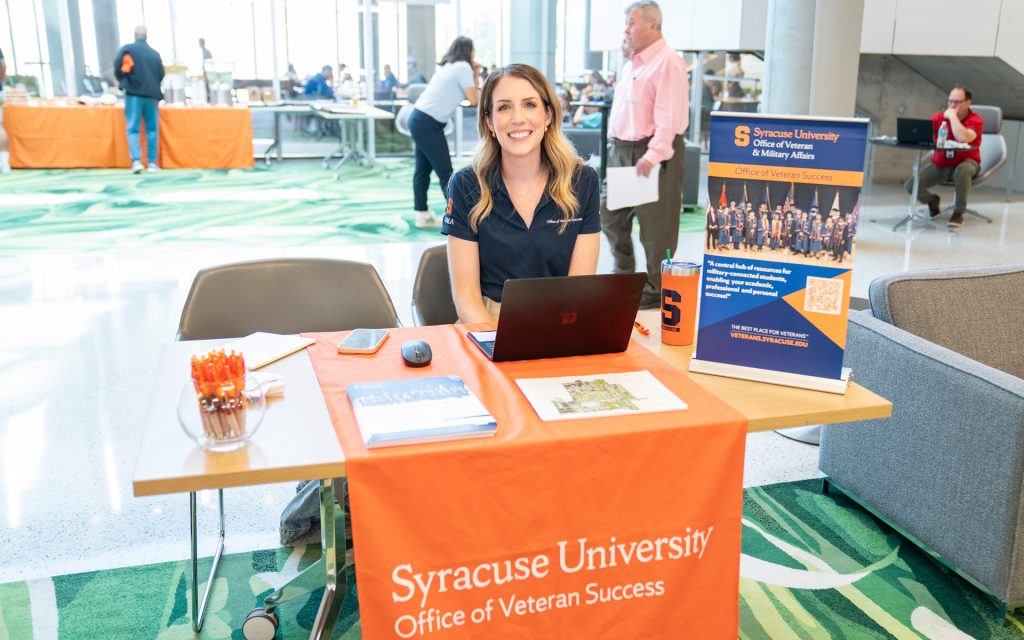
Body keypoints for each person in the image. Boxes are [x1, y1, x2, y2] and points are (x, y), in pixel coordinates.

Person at [442, 63, 601, 323]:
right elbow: (466, 295)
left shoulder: (583, 182)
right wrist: (495, 347)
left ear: (548, 115)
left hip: (560, 318)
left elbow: (578, 290)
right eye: (504, 107)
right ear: (490, 121)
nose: (518, 118)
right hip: (486, 319)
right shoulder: (466, 184)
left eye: (529, 104)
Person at [601, 1, 689, 308]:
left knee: (656, 227)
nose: (626, 29)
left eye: (632, 22)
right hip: (623, 151)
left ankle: (655, 289)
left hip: (651, 153)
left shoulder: (669, 62)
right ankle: (624, 274)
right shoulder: (633, 64)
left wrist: (653, 156)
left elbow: (669, 114)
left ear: (653, 25)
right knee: (611, 216)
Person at [408, 36, 479, 229]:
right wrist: (475, 71)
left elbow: (469, 95)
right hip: (426, 122)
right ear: (468, 51)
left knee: (422, 171)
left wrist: (475, 71)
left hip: (419, 119)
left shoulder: (450, 67)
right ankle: (459, 218)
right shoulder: (463, 67)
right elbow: (474, 99)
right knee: (445, 172)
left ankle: (422, 215)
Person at [903, 85, 983, 228]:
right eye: (950, 101)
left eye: (957, 102)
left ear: (968, 103)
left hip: (967, 162)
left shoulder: (975, 120)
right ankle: (932, 200)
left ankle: (958, 212)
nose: (952, 105)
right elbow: (922, 132)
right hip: (941, 163)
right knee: (911, 185)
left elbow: (963, 137)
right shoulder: (940, 117)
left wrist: (952, 116)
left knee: (962, 170)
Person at [113, 26, 164, 174]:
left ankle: (136, 161)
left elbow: (117, 66)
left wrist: (124, 81)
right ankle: (152, 163)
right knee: (152, 129)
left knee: (133, 128)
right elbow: (161, 74)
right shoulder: (155, 54)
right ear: (146, 36)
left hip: (134, 94)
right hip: (152, 96)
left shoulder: (128, 49)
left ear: (135, 36)